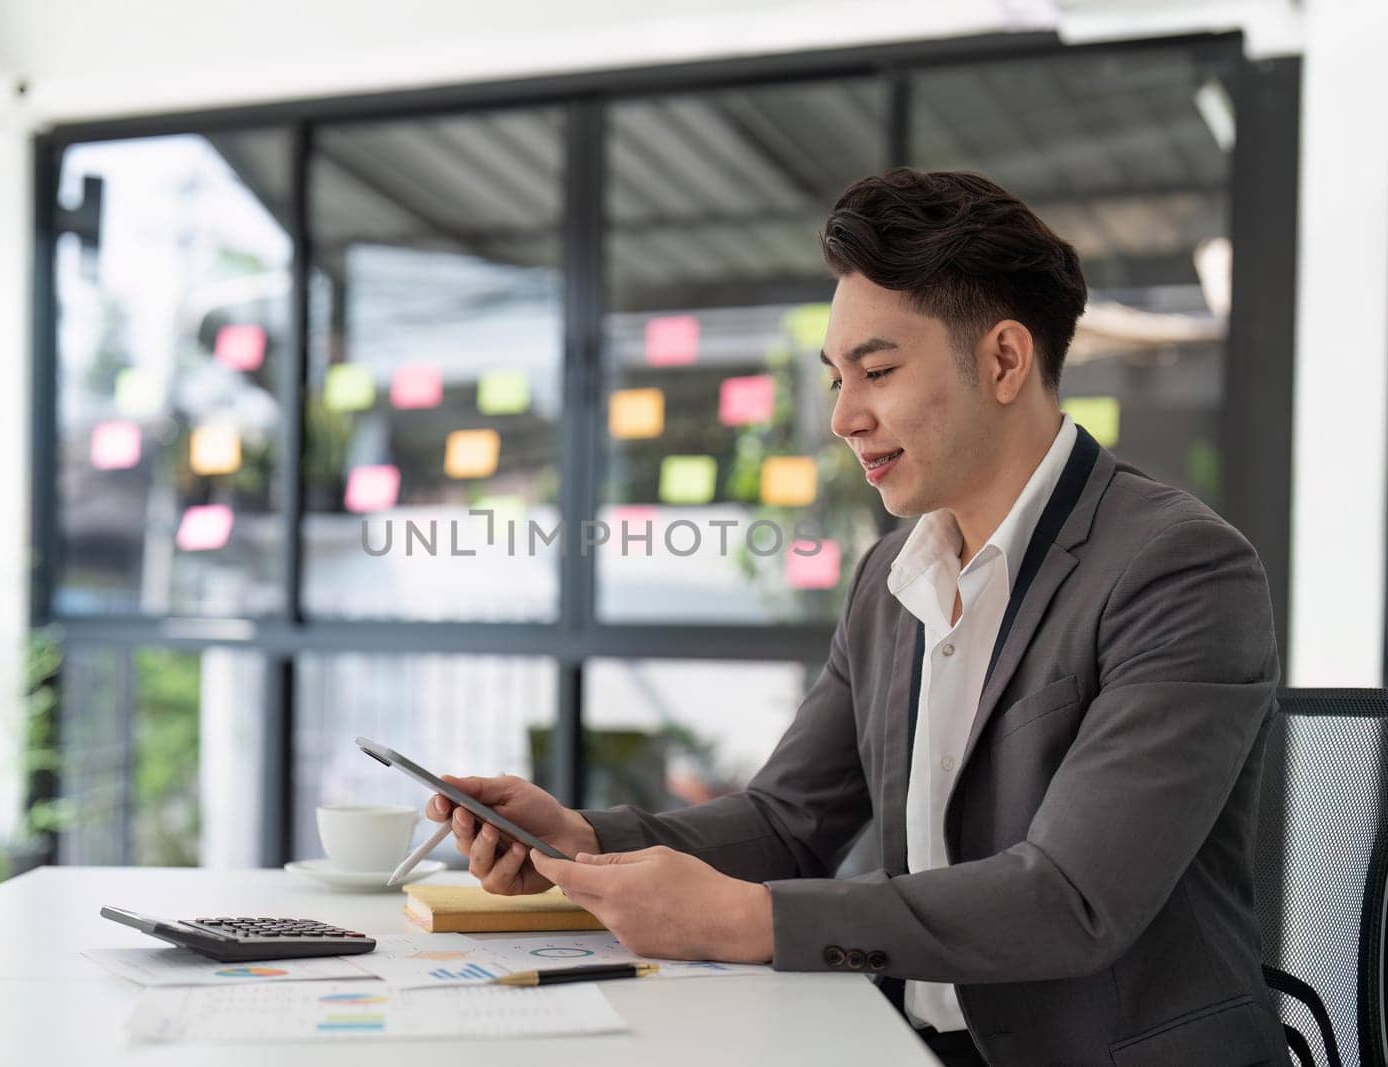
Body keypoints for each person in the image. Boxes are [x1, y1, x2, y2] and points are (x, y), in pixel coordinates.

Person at [424, 169, 1287, 1066]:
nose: (842, 416)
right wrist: (587, 839)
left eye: (876, 370)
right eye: (837, 377)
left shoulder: (1180, 569)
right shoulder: (892, 576)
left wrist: (750, 918)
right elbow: (789, 820)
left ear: (1003, 360)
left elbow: (1070, 897)